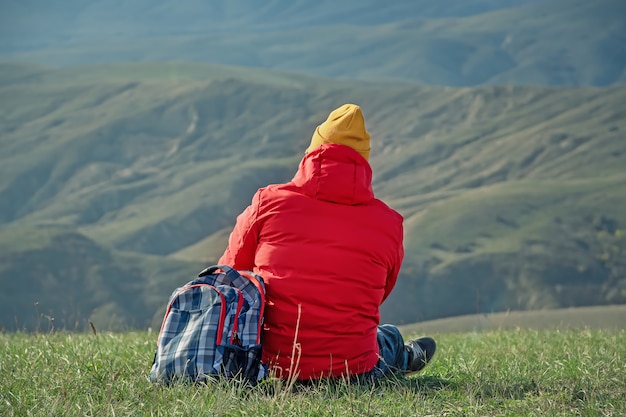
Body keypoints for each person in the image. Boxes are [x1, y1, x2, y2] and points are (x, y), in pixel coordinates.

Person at [218, 103, 436, 381]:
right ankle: (405, 358)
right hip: (353, 371)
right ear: (364, 162)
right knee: (387, 337)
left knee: (383, 337)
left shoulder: (268, 202)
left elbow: (229, 275)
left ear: (313, 152)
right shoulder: (389, 223)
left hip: (267, 365)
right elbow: (379, 293)